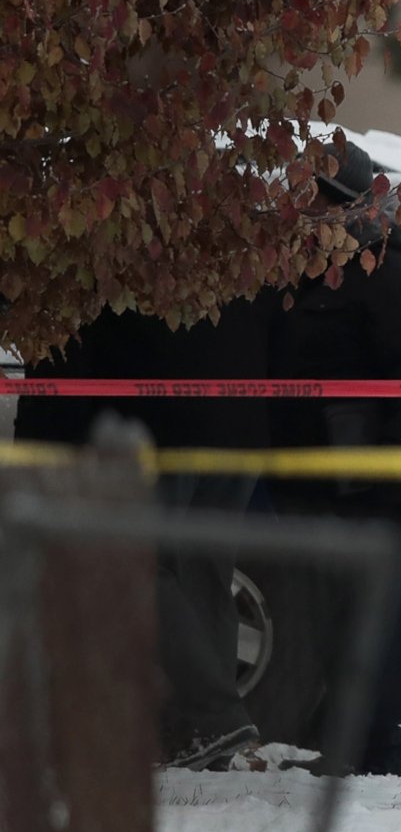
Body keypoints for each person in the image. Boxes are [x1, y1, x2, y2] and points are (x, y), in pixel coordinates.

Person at [15, 298, 273, 769]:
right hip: (238, 424)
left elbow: (69, 358)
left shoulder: (96, 243)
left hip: (161, 427)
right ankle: (203, 738)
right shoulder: (218, 236)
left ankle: (211, 719)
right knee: (203, 576)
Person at [268, 141, 401, 776]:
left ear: (339, 203)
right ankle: (342, 743)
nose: (295, 205)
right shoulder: (306, 271)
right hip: (322, 478)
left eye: (308, 194)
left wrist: (394, 462)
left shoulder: (385, 272)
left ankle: (376, 751)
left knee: (373, 620)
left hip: (376, 482)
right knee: (327, 618)